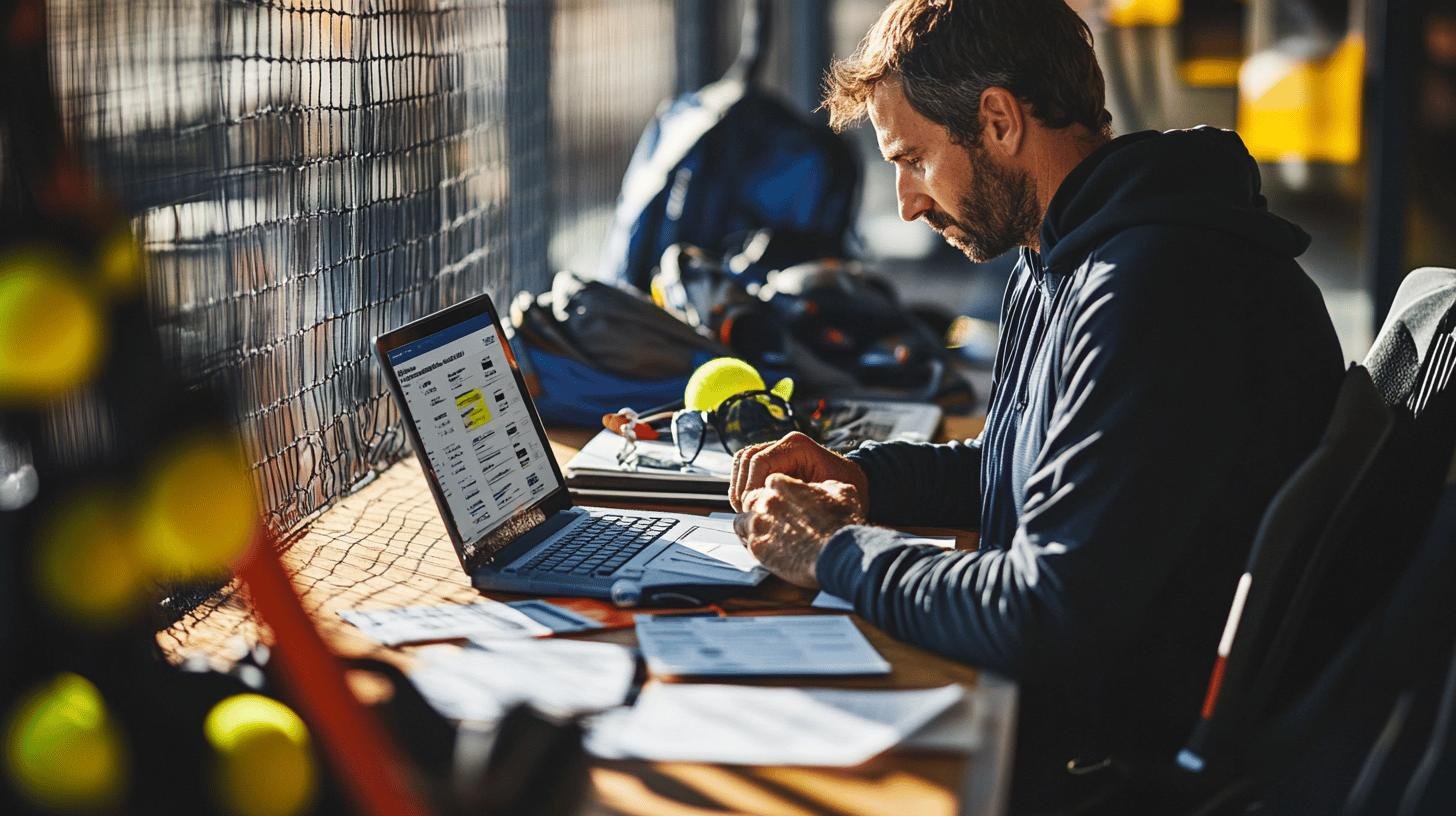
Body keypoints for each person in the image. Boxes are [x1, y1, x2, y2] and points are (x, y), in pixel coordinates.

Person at [728, 0, 1345, 806]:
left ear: (997, 121)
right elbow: (1028, 466)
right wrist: (866, 476)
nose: (907, 203)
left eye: (913, 159)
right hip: (1073, 711)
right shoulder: (1060, 253)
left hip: (1106, 761)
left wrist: (835, 550)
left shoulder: (1152, 289)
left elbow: (1044, 614)